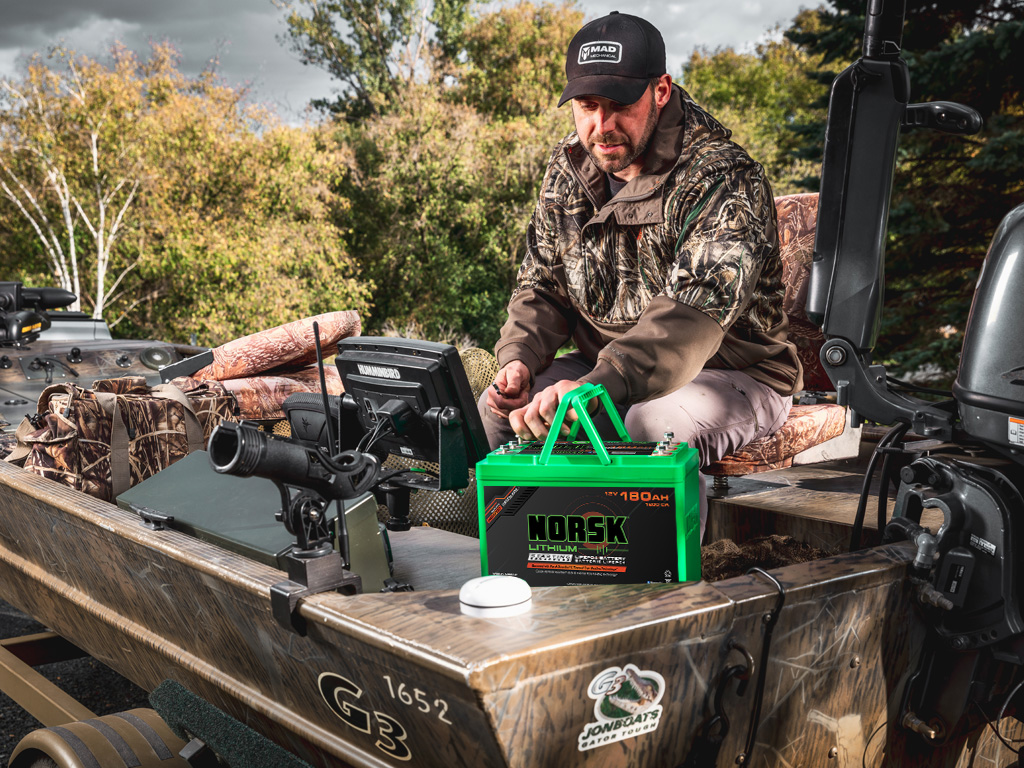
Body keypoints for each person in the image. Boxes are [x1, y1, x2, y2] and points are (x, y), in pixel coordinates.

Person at [479, 11, 802, 472]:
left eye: (620, 104)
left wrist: (599, 385)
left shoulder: (721, 176)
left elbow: (690, 321)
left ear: (661, 91)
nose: (602, 125)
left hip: (732, 372)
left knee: (650, 427)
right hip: (605, 371)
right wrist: (519, 360)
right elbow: (542, 284)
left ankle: (668, 548)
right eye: (588, 106)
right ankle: (535, 546)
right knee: (498, 419)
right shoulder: (569, 166)